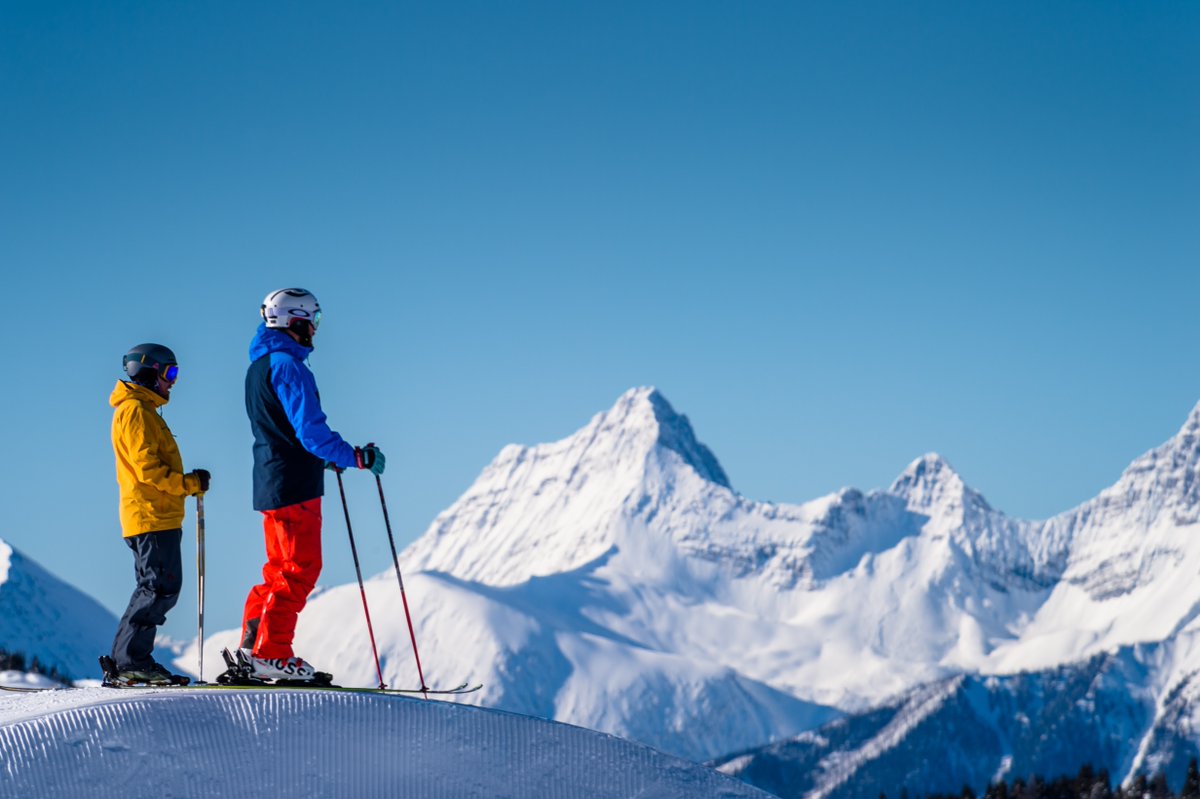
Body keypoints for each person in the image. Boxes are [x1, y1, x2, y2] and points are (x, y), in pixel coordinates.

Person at [239, 288, 384, 682]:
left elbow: (282, 430)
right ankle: (271, 653)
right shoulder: (289, 366)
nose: (316, 331)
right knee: (300, 569)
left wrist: (324, 456)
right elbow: (310, 431)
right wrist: (352, 456)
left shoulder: (260, 367)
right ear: (294, 322)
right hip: (294, 485)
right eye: (313, 321)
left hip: (273, 480)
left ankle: (253, 650)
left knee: (277, 570)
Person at [109, 343, 210, 685]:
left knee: (159, 586)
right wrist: (186, 484)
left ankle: (130, 660)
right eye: (170, 373)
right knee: (158, 587)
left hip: (158, 515)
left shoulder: (145, 411)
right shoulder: (135, 410)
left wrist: (187, 485)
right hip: (150, 515)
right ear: (150, 372)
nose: (173, 382)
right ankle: (130, 662)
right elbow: (147, 468)